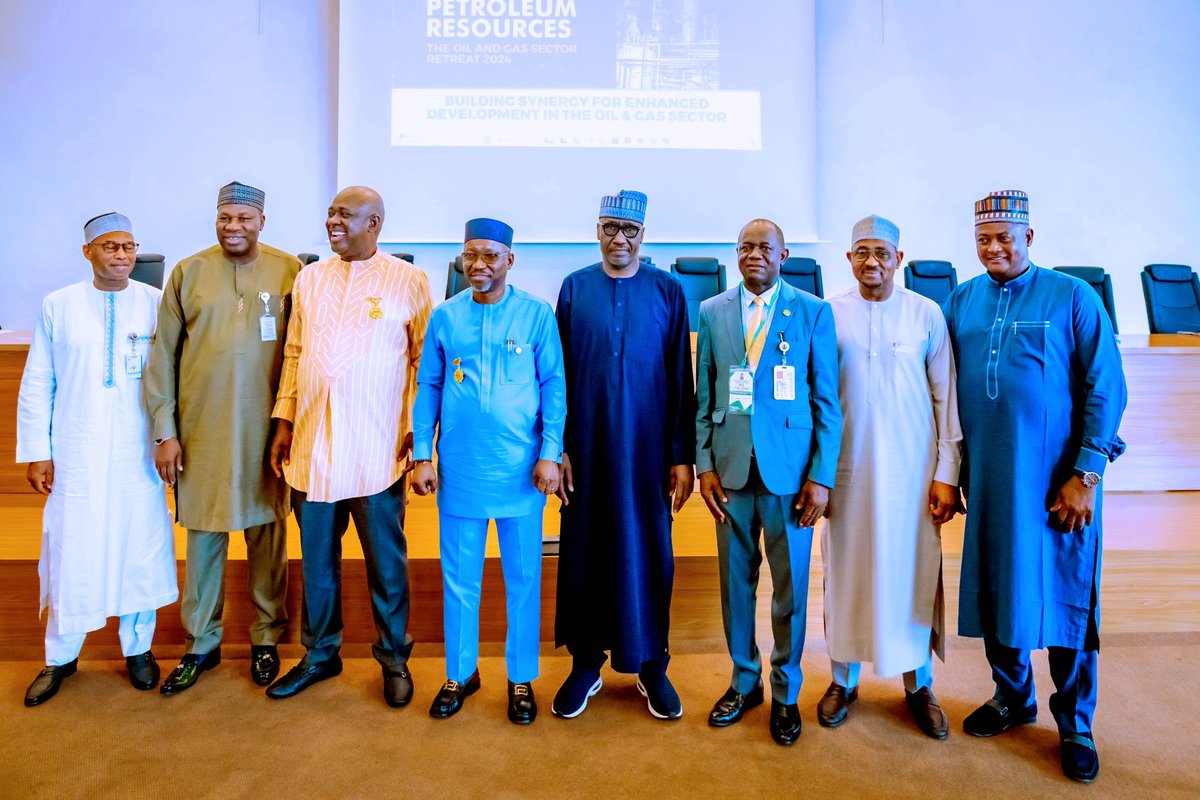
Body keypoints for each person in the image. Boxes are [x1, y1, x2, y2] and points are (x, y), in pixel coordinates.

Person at [943, 190, 1127, 783]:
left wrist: (1087, 474)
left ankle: (1076, 722)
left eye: (1005, 237)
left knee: (1067, 599)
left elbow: (1106, 386)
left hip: (1057, 487)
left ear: (1029, 237)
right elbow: (944, 394)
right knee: (1001, 591)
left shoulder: (1073, 296)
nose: (993, 247)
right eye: (983, 239)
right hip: (992, 484)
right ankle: (1013, 698)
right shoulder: (962, 300)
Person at [265, 186, 432, 707]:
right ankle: (320, 654)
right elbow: (294, 354)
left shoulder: (409, 281)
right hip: (312, 448)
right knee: (316, 562)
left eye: (344, 215)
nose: (332, 222)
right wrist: (284, 420)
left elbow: (424, 366)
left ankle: (393, 658)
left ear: (374, 223)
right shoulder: (309, 278)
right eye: (331, 213)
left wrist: (417, 434)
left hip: (378, 450)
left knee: (387, 563)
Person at [145, 181, 298, 695]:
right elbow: (161, 357)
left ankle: (266, 637)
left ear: (261, 220)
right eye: (224, 218)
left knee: (267, 535)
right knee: (205, 538)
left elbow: (301, 355)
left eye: (243, 218)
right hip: (202, 429)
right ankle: (201, 644)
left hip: (265, 428)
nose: (233, 227)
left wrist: (291, 423)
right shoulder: (188, 272)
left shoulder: (289, 271)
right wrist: (165, 432)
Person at [18, 212, 177, 706]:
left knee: (140, 545)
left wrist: (169, 438)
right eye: (111, 247)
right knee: (73, 549)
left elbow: (172, 380)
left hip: (137, 451)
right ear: (88, 252)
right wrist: (38, 452)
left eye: (129, 246)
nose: (122, 255)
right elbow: (38, 381)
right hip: (78, 449)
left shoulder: (155, 304)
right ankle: (60, 657)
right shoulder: (58, 305)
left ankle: (139, 650)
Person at [412, 218, 566, 724]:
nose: (478, 265)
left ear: (509, 261)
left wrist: (550, 451)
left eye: (490, 256)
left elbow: (554, 389)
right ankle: (461, 672)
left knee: (523, 576)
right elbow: (429, 386)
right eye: (470, 255)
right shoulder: (446, 316)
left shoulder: (536, 314)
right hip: (460, 468)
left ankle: (521, 677)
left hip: (521, 469)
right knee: (460, 577)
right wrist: (422, 456)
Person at [695, 218, 842, 745]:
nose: (754, 254)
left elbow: (827, 402)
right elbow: (706, 398)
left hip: (791, 478)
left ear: (784, 255)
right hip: (731, 473)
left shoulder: (812, 311)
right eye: (745, 247)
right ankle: (744, 681)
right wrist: (704, 464)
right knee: (736, 588)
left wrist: (821, 478)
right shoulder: (712, 312)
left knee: (791, 591)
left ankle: (785, 692)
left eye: (765, 247)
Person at [552, 190, 696, 720]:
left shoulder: (668, 291)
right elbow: (557, 378)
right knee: (585, 548)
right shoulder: (574, 289)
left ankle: (651, 663)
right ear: (597, 230)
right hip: (585, 451)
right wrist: (559, 447)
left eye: (629, 231)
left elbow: (681, 376)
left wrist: (682, 455)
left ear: (643, 234)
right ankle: (586, 663)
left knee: (648, 550)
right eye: (610, 228)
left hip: (647, 451)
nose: (620, 239)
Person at [819, 215, 961, 739]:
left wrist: (947, 474)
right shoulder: (828, 314)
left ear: (899, 258)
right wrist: (817, 474)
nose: (871, 262)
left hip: (912, 472)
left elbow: (946, 398)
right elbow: (819, 399)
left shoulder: (926, 314)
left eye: (882, 252)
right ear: (849, 258)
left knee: (911, 574)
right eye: (861, 252)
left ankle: (918, 684)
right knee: (846, 571)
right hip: (846, 470)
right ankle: (842, 679)